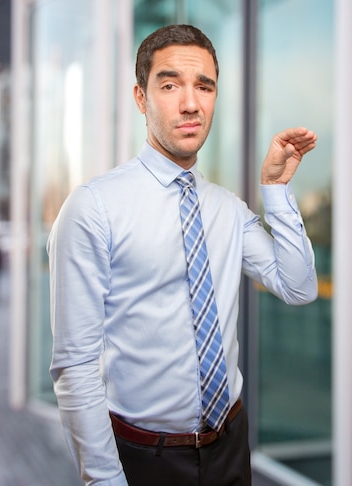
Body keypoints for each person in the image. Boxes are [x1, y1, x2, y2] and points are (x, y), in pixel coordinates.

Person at [46, 24, 318, 486]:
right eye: (169, 85)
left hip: (230, 445)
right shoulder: (94, 208)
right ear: (140, 97)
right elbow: (75, 367)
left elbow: (298, 286)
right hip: (144, 459)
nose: (190, 103)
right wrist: (105, 480)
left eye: (204, 87)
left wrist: (275, 189)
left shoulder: (227, 210)